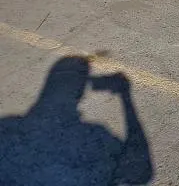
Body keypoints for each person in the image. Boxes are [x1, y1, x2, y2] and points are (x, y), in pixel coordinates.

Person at [0, 56, 153, 186]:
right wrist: (125, 96)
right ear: (80, 94)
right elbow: (141, 172)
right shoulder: (95, 138)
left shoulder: (6, 129)